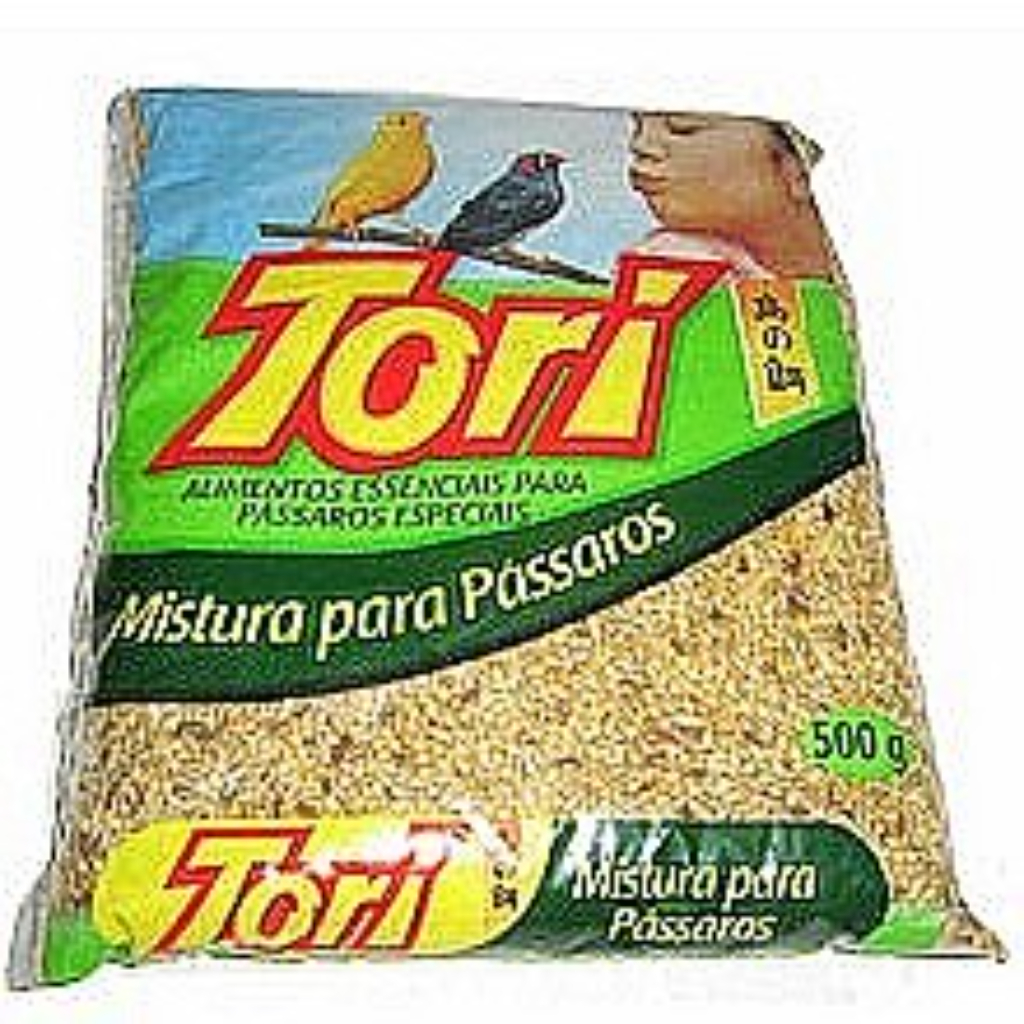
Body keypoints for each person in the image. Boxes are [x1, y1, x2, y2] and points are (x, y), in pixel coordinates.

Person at [628, 112, 837, 280]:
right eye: (637, 126)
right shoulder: (673, 258)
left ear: (797, 168)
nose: (639, 145)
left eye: (682, 128)